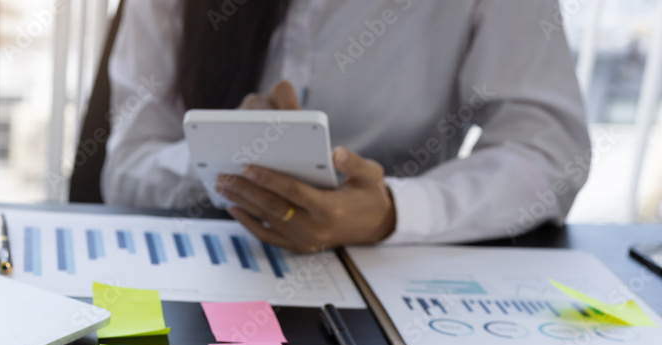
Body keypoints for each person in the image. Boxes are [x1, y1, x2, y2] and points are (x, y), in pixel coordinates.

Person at [101, 0, 592, 251]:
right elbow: (125, 168)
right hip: (213, 266)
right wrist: (224, 158)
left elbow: (550, 152)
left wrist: (396, 212)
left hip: (395, 274)